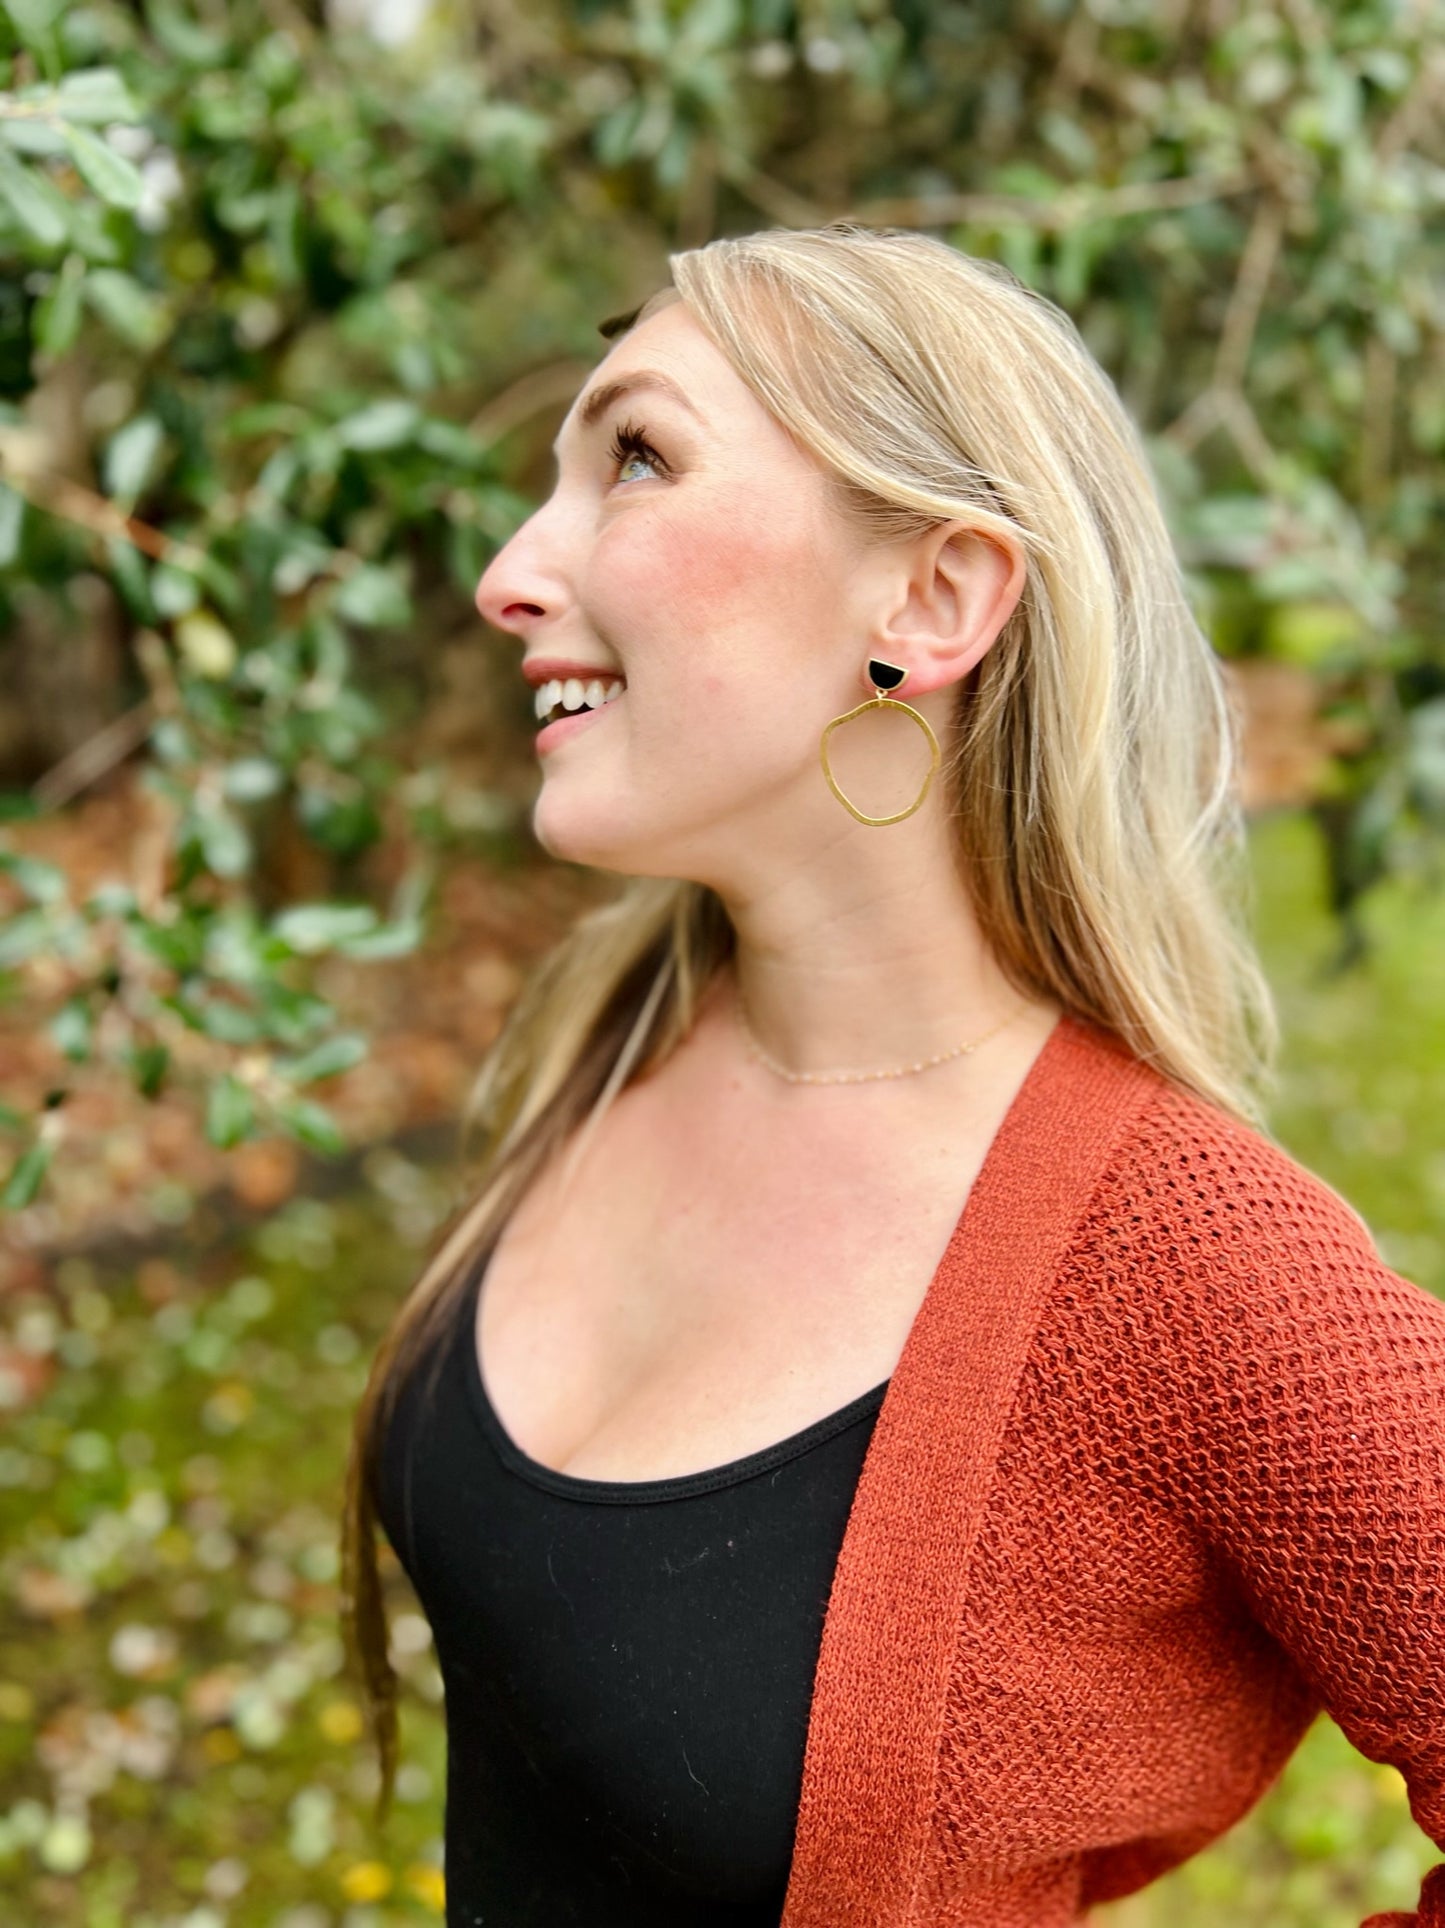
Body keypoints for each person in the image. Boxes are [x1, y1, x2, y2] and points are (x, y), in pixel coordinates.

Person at [341, 225, 1445, 1928]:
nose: (506, 570)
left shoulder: (1202, 1283)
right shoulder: (622, 1029)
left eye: (634, 455)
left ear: (926, 602)